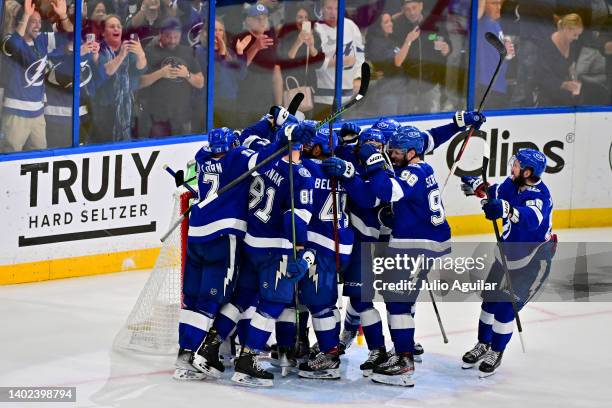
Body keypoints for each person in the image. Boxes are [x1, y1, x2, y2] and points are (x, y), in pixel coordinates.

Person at [174, 119, 312, 380]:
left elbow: (252, 141)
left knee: (228, 299)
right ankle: (240, 357)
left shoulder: (202, 156)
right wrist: (284, 137)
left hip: (216, 238)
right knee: (255, 301)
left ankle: (196, 352)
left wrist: (270, 124)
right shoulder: (246, 160)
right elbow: (261, 154)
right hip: (240, 240)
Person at [460, 148, 555, 377]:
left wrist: (507, 210)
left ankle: (496, 351)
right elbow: (497, 197)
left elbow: (531, 219)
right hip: (505, 257)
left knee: (505, 308)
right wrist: (480, 190)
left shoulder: (540, 196)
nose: (512, 167)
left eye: (517, 164)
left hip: (532, 262)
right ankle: (483, 344)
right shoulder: (511, 183)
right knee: (489, 302)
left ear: (528, 171)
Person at [0, 0, 73, 153]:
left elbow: (71, 38)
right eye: (33, 21)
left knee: (40, 160)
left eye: (39, 22)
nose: (38, 26)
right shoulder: (9, 39)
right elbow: (12, 46)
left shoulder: (41, 40)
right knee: (10, 159)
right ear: (23, 21)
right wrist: (26, 15)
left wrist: (63, 15)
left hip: (38, 114)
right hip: (15, 114)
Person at [138, 17, 203, 138]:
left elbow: (200, 83)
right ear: (160, 34)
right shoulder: (149, 52)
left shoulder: (188, 52)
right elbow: (139, 82)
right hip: (156, 118)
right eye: (168, 36)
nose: (172, 40)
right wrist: (161, 73)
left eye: (176, 37)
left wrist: (187, 74)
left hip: (182, 118)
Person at [90, 14, 147, 143]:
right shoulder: (98, 50)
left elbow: (140, 68)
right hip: (105, 110)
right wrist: (121, 55)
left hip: (127, 107)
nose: (116, 29)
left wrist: (140, 53)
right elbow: (106, 71)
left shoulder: (128, 47)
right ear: (103, 33)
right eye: (112, 27)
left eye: (118, 26)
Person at [392, 0, 451, 113]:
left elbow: (447, 43)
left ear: (421, 6)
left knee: (431, 121)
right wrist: (408, 40)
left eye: (414, 7)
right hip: (407, 86)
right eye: (408, 9)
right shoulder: (397, 25)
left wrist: (446, 48)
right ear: (403, 10)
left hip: (430, 83)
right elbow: (396, 56)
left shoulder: (434, 21)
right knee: (405, 121)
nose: (412, 12)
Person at [232, 3, 283, 128]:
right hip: (244, 103)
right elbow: (238, 69)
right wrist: (255, 47)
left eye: (264, 18)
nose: (262, 21)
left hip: (265, 103)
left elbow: (276, 72)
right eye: (257, 18)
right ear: (248, 20)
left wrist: (279, 106)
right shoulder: (239, 39)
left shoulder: (270, 39)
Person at [313, 0, 364, 120]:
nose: (333, 13)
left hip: (349, 97)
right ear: (322, 9)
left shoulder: (350, 25)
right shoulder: (316, 28)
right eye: (329, 8)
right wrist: (341, 61)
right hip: (323, 98)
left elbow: (360, 54)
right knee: (324, 135)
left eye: (336, 9)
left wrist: (358, 77)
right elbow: (314, 62)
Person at [194, 18, 248, 129]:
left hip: (230, 102)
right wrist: (222, 55)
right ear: (205, 32)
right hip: (210, 104)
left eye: (220, 30)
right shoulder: (200, 51)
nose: (217, 33)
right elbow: (214, 77)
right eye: (214, 30)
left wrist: (240, 53)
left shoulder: (229, 52)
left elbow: (241, 76)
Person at [276, 2, 325, 118]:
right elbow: (286, 60)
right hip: (290, 84)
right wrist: (298, 42)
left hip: (308, 87)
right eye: (299, 17)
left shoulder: (315, 36)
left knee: (307, 122)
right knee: (290, 121)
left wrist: (312, 46)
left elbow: (319, 63)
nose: (303, 21)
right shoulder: (285, 35)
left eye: (306, 17)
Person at [534, 13, 584, 106]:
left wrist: (574, 80)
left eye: (578, 35)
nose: (577, 38)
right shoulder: (546, 45)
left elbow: (570, 67)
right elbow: (541, 76)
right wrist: (564, 84)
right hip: (546, 97)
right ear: (566, 29)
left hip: (565, 96)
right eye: (575, 34)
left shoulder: (573, 45)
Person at [363, 13, 406, 116]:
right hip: (387, 92)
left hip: (400, 89)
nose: (391, 24)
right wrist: (408, 41)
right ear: (378, 26)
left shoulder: (391, 39)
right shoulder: (375, 43)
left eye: (391, 21)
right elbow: (397, 62)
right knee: (389, 126)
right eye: (386, 22)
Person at [476, 0, 514, 109]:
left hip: (499, 84)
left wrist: (507, 52)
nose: (498, 7)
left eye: (500, 4)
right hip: (487, 86)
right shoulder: (481, 24)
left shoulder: (496, 24)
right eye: (493, 3)